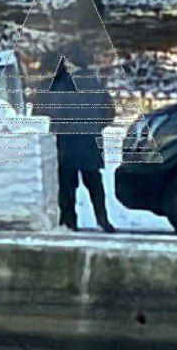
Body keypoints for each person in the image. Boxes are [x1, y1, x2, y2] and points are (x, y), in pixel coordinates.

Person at [35, 45, 116, 233]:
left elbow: (45, 114)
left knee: (67, 185)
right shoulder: (95, 84)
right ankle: (103, 219)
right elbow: (109, 114)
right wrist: (95, 126)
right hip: (90, 141)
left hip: (66, 142)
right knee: (94, 183)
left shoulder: (56, 86)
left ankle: (70, 222)